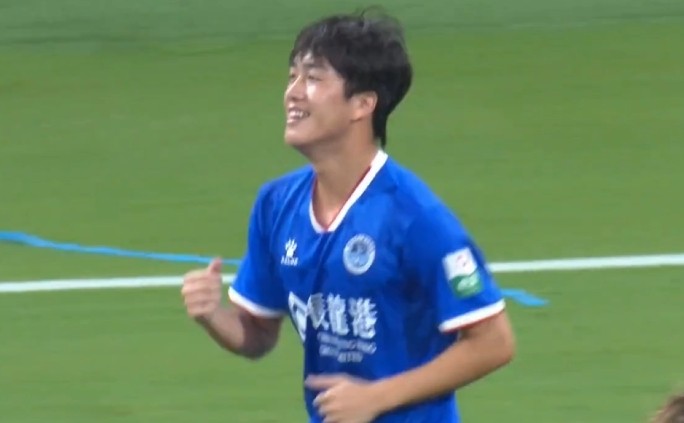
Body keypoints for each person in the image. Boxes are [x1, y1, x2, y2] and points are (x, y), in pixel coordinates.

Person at [181, 9, 516, 423]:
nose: (293, 93)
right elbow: (258, 333)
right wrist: (212, 316)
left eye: (313, 78)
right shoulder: (276, 204)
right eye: (292, 77)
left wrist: (377, 397)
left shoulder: (415, 218)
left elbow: (494, 342)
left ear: (362, 104)